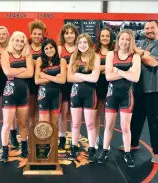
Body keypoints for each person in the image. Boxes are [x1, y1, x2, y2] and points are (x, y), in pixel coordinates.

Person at [118, 20, 158, 164]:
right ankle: (133, 143)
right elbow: (129, 53)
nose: (149, 30)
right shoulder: (141, 43)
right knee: (136, 119)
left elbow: (152, 62)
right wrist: (142, 52)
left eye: (152, 28)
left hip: (155, 89)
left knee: (156, 121)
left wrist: (138, 54)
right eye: (147, 28)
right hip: (138, 88)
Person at [98, 29, 141, 168]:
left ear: (131, 41)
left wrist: (117, 70)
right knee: (109, 125)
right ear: (118, 40)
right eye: (122, 38)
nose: (124, 41)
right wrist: (127, 73)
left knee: (125, 127)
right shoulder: (111, 54)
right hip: (112, 95)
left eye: (128, 39)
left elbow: (135, 77)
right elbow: (108, 77)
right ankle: (105, 150)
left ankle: (127, 153)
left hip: (126, 96)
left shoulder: (135, 57)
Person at [0, 31, 34, 162]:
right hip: (9, 92)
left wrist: (15, 73)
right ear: (12, 41)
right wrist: (22, 70)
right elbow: (7, 71)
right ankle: (4, 149)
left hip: (23, 93)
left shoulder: (28, 55)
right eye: (16, 40)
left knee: (23, 123)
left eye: (21, 41)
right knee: (7, 123)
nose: (19, 43)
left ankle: (24, 146)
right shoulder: (5, 54)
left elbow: (30, 73)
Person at [67, 34, 100, 162]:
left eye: (85, 42)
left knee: (90, 124)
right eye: (80, 42)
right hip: (75, 94)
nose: (82, 45)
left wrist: (78, 74)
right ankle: (74, 148)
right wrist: (87, 76)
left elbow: (95, 78)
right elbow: (69, 78)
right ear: (77, 44)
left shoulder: (95, 57)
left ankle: (91, 149)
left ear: (89, 44)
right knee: (75, 123)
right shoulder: (74, 57)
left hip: (90, 94)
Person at [35, 38, 66, 126]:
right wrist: (55, 78)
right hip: (43, 95)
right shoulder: (39, 60)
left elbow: (62, 80)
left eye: (51, 47)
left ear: (55, 48)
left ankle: (53, 140)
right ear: (43, 50)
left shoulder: (62, 61)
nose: (49, 50)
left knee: (54, 124)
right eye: (46, 48)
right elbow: (37, 81)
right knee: (44, 124)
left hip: (56, 95)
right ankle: (43, 140)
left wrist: (45, 76)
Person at [57, 23, 79, 150]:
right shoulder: (60, 49)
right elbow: (58, 67)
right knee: (63, 113)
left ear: (75, 34)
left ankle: (73, 139)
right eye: (67, 33)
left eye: (72, 33)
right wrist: (71, 68)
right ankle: (62, 137)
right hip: (64, 85)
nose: (69, 35)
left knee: (74, 114)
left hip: (77, 83)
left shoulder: (80, 47)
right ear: (63, 35)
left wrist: (66, 67)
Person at [94, 28, 114, 150]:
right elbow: (92, 67)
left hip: (110, 85)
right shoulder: (94, 51)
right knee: (96, 114)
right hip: (96, 85)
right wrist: (107, 67)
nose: (105, 38)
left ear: (110, 38)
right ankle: (95, 137)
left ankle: (107, 140)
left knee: (108, 114)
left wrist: (100, 68)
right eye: (103, 36)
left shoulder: (114, 51)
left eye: (107, 36)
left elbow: (114, 67)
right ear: (99, 37)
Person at [28, 19, 46, 127]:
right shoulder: (26, 47)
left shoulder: (46, 47)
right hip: (29, 82)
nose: (37, 36)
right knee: (31, 110)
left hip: (42, 81)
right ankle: (31, 131)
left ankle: (40, 131)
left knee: (42, 109)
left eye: (39, 34)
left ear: (42, 35)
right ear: (31, 34)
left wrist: (33, 62)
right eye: (34, 34)